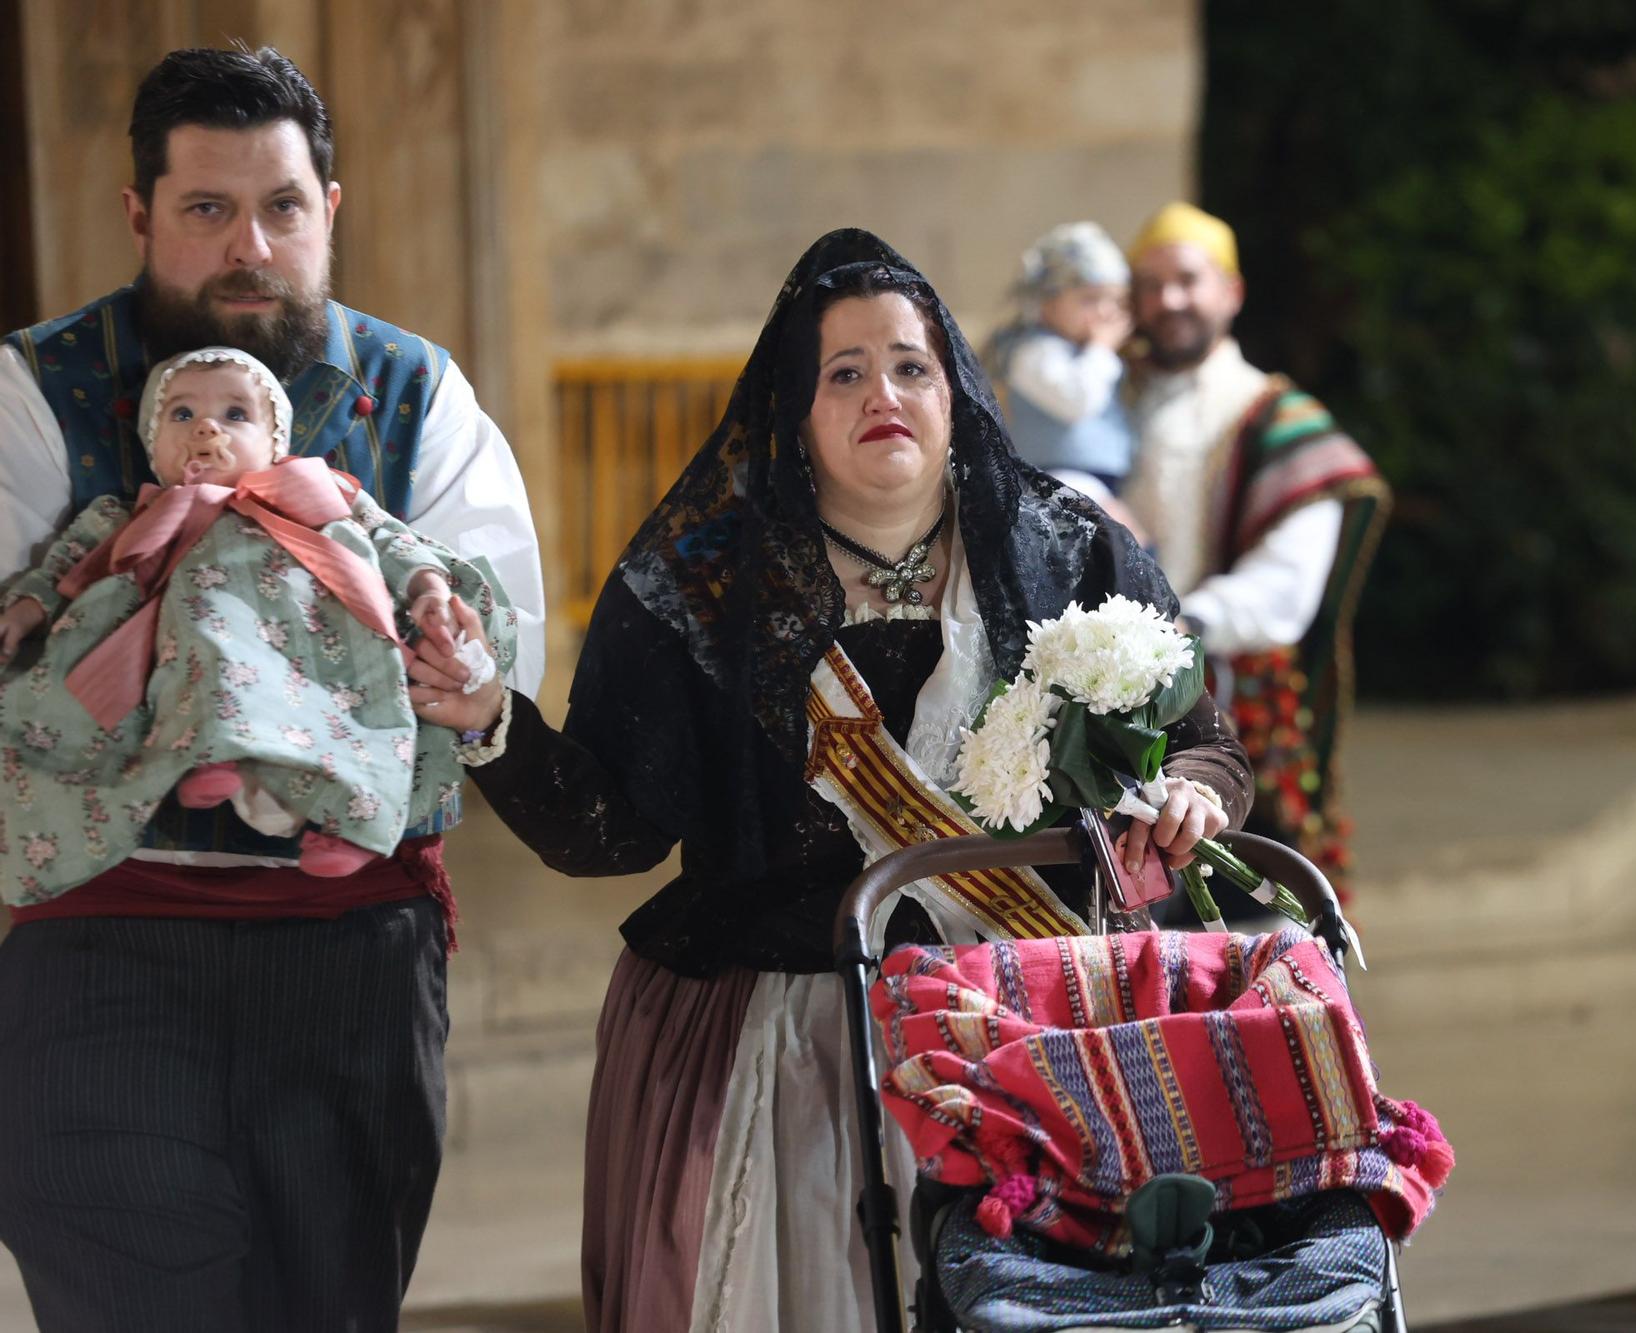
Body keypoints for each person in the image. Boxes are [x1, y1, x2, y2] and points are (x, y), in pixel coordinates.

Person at [412, 229, 1254, 1331]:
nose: (881, 394)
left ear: (953, 388)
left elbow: (1206, 744)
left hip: (1029, 1037)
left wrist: (1189, 788)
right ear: (793, 411)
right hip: (781, 1043)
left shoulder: (1067, 550)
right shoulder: (700, 587)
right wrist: (487, 719)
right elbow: (609, 831)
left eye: (909, 366)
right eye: (842, 373)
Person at [0, 46, 543, 1333]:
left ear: (330, 212)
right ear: (139, 216)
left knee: (331, 1307)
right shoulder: (37, 392)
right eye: (206, 210)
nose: (251, 246)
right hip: (100, 944)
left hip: (351, 946)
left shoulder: (418, 397)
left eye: (283, 208)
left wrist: (446, 656)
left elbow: (487, 661)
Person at [0, 345, 514, 898]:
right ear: (153, 448)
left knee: (360, 708)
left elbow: (393, 539)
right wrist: (29, 606)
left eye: (235, 415)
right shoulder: (136, 517)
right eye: (181, 415)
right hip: (207, 649)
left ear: (276, 442)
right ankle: (215, 754)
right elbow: (70, 567)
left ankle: (355, 822)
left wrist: (427, 586)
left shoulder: (319, 494)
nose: (206, 430)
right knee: (204, 644)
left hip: (319, 647)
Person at [1120, 201, 1385, 889]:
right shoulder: (1101, 398)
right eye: (1148, 285)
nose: (1167, 299)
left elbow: (1285, 590)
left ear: (1231, 292)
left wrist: (1183, 627)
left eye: (1186, 279)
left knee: (1256, 929)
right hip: (1107, 701)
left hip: (1231, 708)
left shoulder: (1279, 418)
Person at [987, 220, 1135, 497]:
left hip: (1105, 483)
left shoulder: (1088, 354)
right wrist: (1101, 349)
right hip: (1056, 482)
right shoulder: (1033, 353)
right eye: (1090, 299)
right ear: (1047, 303)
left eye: (1115, 301)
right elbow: (1077, 401)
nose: (1105, 312)